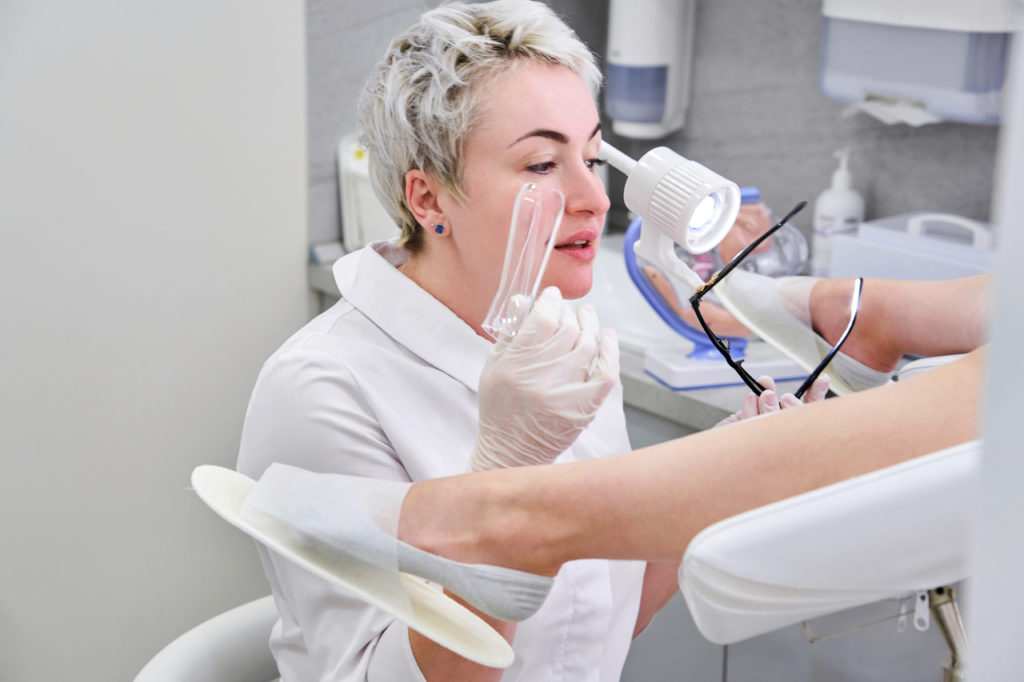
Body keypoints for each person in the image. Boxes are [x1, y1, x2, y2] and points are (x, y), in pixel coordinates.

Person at [237, 2, 803, 680]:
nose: (594, 197)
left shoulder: (567, 344)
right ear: (429, 198)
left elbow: (594, 623)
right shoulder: (320, 390)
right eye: (541, 164)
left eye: (592, 156)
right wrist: (503, 482)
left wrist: (725, 476)